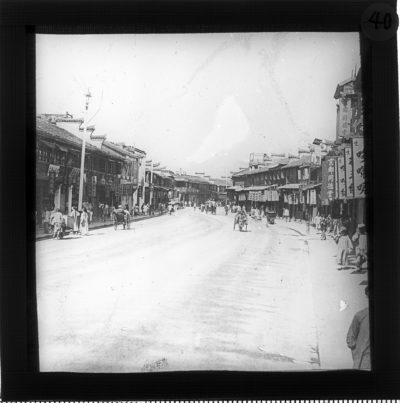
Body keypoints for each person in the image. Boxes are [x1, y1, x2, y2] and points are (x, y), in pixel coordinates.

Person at [346, 287, 370, 369]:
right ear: (367, 296)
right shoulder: (360, 315)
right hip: (364, 361)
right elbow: (350, 338)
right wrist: (358, 352)